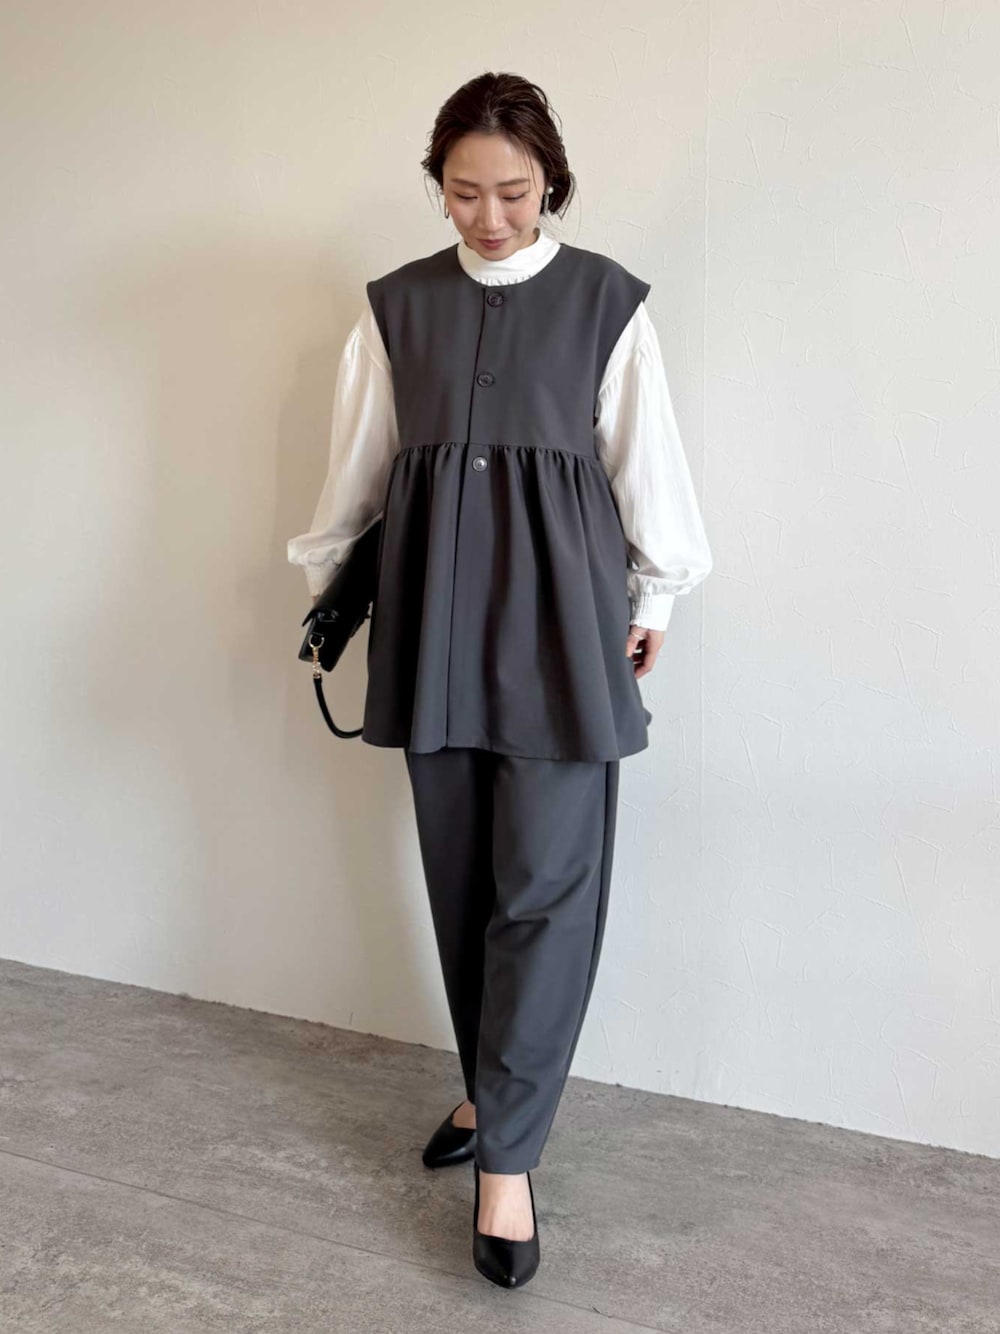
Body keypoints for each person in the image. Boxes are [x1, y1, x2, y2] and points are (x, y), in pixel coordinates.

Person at [288, 71, 712, 1290]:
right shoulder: (396, 308)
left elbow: (645, 463)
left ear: (550, 183)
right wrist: (326, 587)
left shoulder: (605, 302)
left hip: (565, 629)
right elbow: (360, 469)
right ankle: (488, 1088)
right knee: (464, 876)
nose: (488, 216)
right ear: (437, 185)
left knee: (544, 890)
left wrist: (655, 598)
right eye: (464, 192)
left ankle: (508, 1160)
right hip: (431, 620)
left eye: (513, 193)